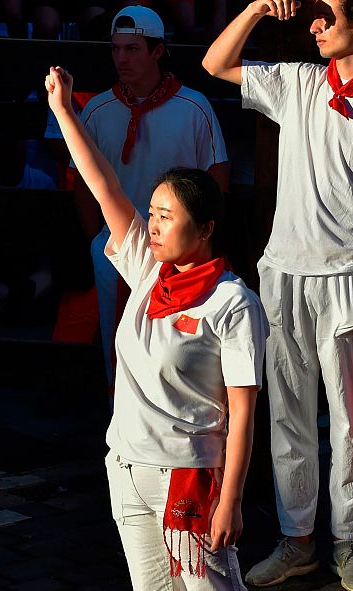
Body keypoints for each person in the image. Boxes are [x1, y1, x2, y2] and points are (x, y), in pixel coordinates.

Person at [46, 64, 280, 591]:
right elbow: (101, 183)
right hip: (127, 464)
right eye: (149, 213)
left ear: (204, 228)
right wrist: (63, 109)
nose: (150, 224)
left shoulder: (232, 303)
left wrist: (232, 497)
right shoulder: (146, 269)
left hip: (190, 473)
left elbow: (244, 410)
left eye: (165, 215)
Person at [203, 0, 353, 591]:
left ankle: (347, 540)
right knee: (288, 415)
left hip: (351, 278)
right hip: (284, 273)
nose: (312, 25)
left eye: (324, 15)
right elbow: (216, 62)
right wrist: (258, 6)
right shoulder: (300, 81)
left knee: (350, 422)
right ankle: (297, 539)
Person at [75, 5, 229, 396]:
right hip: (116, 246)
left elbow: (218, 178)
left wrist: (200, 245)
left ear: (157, 51)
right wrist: (96, 238)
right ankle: (119, 418)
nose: (122, 59)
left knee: (174, 345)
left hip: (180, 252)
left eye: (132, 49)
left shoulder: (194, 107)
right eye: (116, 49)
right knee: (115, 339)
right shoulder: (97, 110)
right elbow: (81, 180)